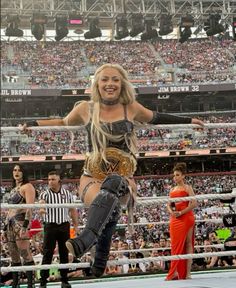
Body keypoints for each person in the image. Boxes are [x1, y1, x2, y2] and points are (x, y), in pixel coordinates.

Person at [21, 63, 204, 278]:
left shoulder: (131, 108)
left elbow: (157, 117)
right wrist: (33, 123)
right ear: (97, 84)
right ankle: (99, 261)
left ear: (122, 83)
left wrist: (189, 120)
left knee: (115, 184)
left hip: (123, 178)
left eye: (115, 79)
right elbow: (62, 121)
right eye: (105, 79)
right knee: (111, 207)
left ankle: (87, 240)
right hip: (92, 178)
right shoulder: (85, 109)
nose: (110, 84)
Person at [38, 171, 79, 288]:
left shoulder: (67, 194)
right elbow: (41, 203)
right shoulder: (45, 194)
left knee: (64, 253)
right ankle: (43, 281)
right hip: (50, 225)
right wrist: (42, 209)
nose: (50, 182)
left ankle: (64, 280)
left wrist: (76, 225)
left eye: (53, 179)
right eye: (49, 179)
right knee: (47, 253)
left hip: (64, 225)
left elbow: (73, 210)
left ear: (59, 180)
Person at [3, 164, 36, 288]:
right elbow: (9, 210)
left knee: (25, 253)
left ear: (24, 172)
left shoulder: (28, 187)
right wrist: (4, 228)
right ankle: (15, 284)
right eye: (14, 170)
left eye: (19, 170)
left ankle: (31, 284)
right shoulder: (13, 189)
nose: (16, 172)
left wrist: (25, 226)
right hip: (10, 224)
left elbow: (30, 208)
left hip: (21, 223)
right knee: (14, 256)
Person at [166, 162, 197, 280]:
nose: (175, 177)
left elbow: (194, 203)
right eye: (174, 175)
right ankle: (175, 272)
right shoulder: (172, 189)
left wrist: (181, 213)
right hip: (175, 218)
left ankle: (187, 273)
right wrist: (171, 212)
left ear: (183, 176)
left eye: (178, 175)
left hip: (186, 217)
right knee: (175, 244)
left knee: (188, 243)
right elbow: (168, 204)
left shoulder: (188, 188)